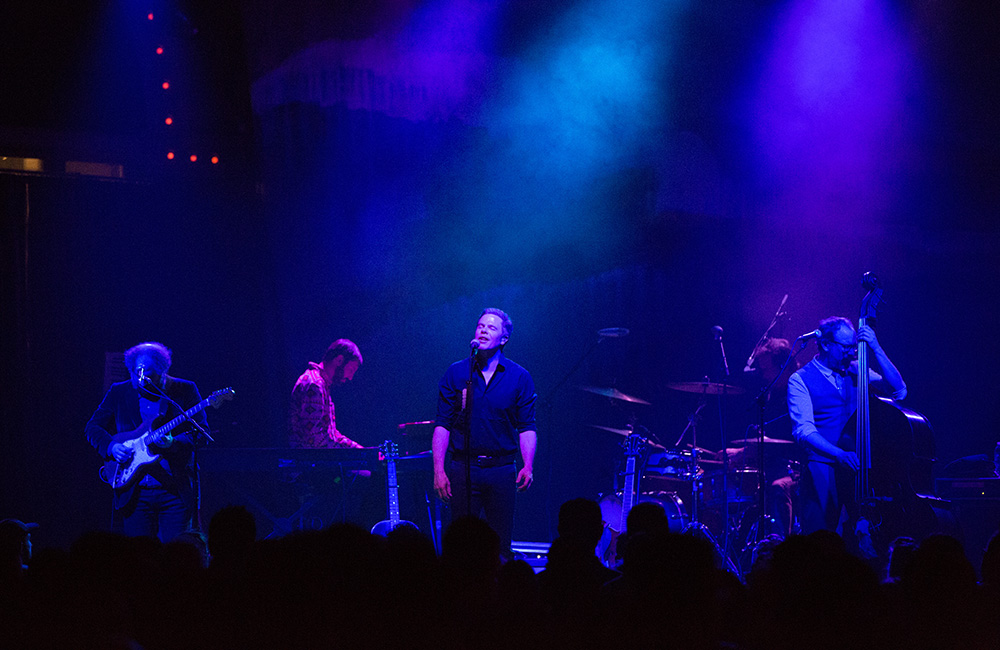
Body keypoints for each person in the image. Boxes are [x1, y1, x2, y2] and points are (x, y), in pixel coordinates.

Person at [787, 317, 906, 539]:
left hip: (860, 466)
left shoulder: (856, 369)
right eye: (846, 347)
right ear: (825, 344)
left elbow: (899, 390)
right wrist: (838, 454)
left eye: (854, 346)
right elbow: (804, 431)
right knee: (820, 539)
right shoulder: (799, 379)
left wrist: (875, 347)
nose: (852, 352)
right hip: (823, 465)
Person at [432, 308, 537, 556]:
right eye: (480, 326)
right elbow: (442, 424)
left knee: (500, 545)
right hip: (463, 469)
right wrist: (438, 469)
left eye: (491, 327)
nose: (483, 330)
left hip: (501, 471)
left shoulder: (519, 377)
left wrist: (527, 465)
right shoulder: (457, 373)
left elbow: (527, 426)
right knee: (460, 545)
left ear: (504, 339)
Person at [85, 342, 208, 543]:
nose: (140, 378)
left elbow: (201, 433)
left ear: (162, 370)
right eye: (136, 372)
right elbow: (92, 427)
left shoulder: (184, 390)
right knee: (139, 560)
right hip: (134, 493)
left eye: (147, 373)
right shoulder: (119, 391)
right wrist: (112, 446)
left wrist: (173, 443)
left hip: (174, 491)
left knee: (177, 554)